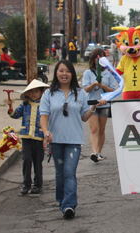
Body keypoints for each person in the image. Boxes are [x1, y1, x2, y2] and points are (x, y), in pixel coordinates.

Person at [40, 60, 107, 219]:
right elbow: (44, 115)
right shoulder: (49, 93)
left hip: (73, 141)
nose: (64, 74)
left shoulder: (81, 93)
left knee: (69, 173)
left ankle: (69, 205)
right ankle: (62, 200)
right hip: (55, 141)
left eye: (68, 71)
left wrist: (93, 107)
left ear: (72, 74)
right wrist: (45, 131)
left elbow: (84, 117)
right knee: (60, 174)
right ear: (56, 73)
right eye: (61, 71)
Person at [7, 80, 50, 195]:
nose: (34, 94)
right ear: (28, 93)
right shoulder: (24, 105)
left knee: (37, 161)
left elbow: (48, 121)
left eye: (36, 91)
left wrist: (47, 137)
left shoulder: (44, 105)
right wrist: (10, 108)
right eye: (31, 92)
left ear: (42, 92)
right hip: (26, 136)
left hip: (39, 137)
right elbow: (15, 115)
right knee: (26, 159)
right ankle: (26, 183)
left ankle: (38, 184)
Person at [82, 49, 115, 163]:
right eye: (97, 57)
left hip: (104, 104)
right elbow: (86, 89)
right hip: (92, 104)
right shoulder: (88, 73)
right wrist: (95, 83)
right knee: (94, 129)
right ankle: (94, 152)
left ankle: (99, 152)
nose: (99, 60)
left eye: (101, 57)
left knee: (101, 129)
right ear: (93, 59)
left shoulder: (108, 73)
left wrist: (103, 86)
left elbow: (112, 90)